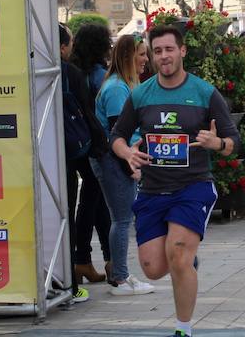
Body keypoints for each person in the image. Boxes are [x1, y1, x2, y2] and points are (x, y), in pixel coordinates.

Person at [112, 25, 240, 337]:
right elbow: (115, 135)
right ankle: (186, 264)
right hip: (153, 189)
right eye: (157, 51)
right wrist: (128, 153)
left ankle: (183, 329)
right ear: (152, 56)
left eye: (169, 49)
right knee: (153, 269)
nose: (164, 56)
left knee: (179, 252)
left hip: (192, 186)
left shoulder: (204, 93)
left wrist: (216, 144)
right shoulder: (141, 94)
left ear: (182, 51)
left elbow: (234, 141)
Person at [92, 34, 156, 296]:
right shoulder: (118, 88)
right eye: (141, 54)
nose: (146, 59)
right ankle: (120, 278)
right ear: (129, 56)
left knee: (120, 218)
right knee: (121, 218)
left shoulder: (121, 85)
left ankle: (120, 274)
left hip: (116, 161)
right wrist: (131, 165)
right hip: (114, 162)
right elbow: (119, 134)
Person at [59, 23, 105, 303]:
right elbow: (88, 113)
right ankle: (79, 266)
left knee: (66, 206)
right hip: (77, 147)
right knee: (87, 198)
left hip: (54, 150)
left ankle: (76, 265)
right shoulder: (75, 74)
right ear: (63, 46)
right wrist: (100, 144)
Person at [68, 23, 115, 285]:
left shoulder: (75, 72)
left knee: (92, 200)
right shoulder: (99, 76)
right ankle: (94, 258)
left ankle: (85, 259)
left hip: (75, 143)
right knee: (94, 201)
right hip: (94, 143)